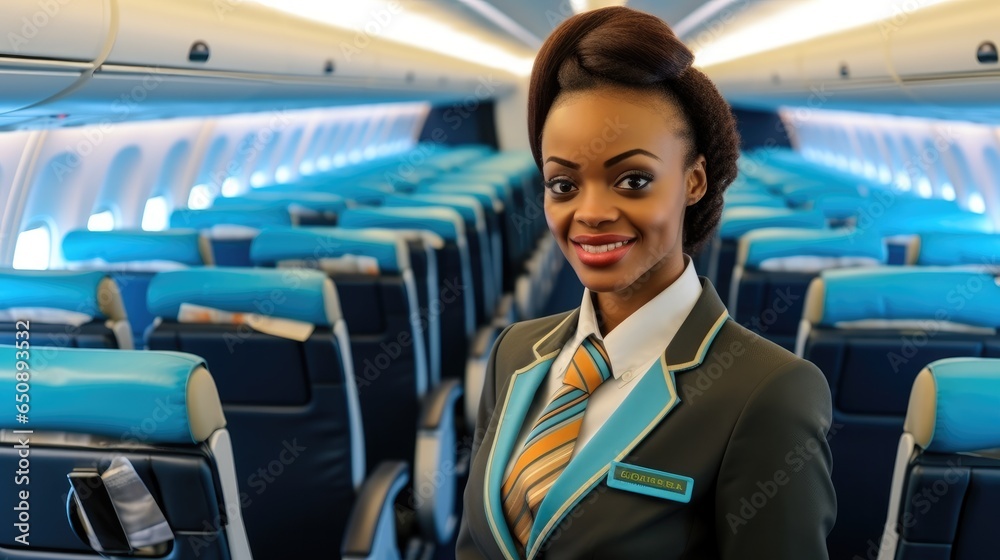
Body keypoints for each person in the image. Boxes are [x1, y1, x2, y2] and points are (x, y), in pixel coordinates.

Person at [456, 6, 836, 560]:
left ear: (694, 180)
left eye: (632, 180)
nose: (590, 213)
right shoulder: (515, 354)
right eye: (563, 184)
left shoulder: (768, 394)